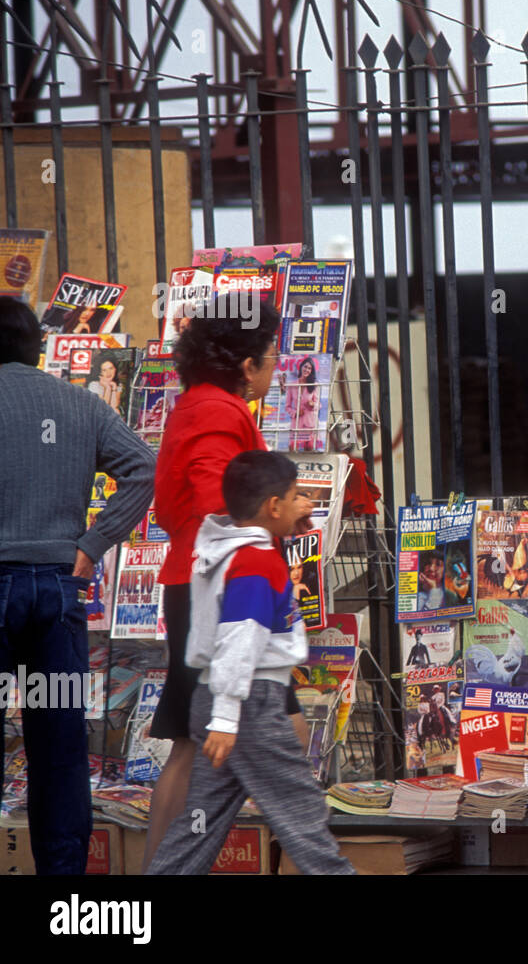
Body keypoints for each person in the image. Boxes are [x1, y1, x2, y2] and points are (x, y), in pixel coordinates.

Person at [146, 295, 310, 870]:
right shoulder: (218, 412)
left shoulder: (197, 405)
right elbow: (221, 501)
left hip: (204, 584)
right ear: (248, 365)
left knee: (201, 745)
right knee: (270, 734)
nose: (275, 366)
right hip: (224, 590)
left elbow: (176, 504)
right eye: (271, 356)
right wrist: (274, 517)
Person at [0, 299, 153, 874]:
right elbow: (143, 467)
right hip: (58, 597)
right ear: (37, 348)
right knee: (59, 746)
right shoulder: (79, 405)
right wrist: (93, 545)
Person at [147, 451, 354, 875]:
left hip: (216, 696)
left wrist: (220, 715)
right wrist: (227, 718)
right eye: (297, 497)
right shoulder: (257, 562)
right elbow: (240, 639)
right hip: (249, 703)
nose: (306, 505)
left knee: (200, 824)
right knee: (302, 814)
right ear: (272, 507)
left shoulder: (223, 549)